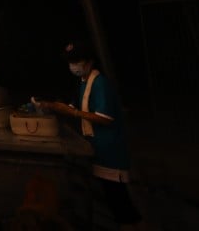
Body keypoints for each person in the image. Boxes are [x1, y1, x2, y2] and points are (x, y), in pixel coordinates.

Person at [37, 41, 143, 230]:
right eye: (70, 62)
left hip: (111, 152)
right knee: (111, 199)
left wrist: (74, 114)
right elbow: (73, 107)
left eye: (76, 61)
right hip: (97, 149)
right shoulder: (84, 83)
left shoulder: (100, 83)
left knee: (119, 200)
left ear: (90, 62)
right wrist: (51, 106)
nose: (73, 66)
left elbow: (105, 118)